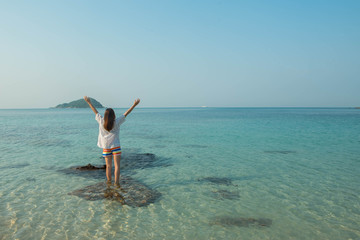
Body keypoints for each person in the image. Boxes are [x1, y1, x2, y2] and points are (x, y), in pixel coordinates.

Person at [84, 96, 140, 186]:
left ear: (105, 115)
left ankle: (109, 183)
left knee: (108, 166)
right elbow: (126, 113)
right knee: (117, 166)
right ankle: (117, 184)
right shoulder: (117, 122)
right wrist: (134, 105)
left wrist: (89, 102)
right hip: (116, 146)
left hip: (106, 147)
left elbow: (95, 112)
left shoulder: (101, 121)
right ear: (113, 115)